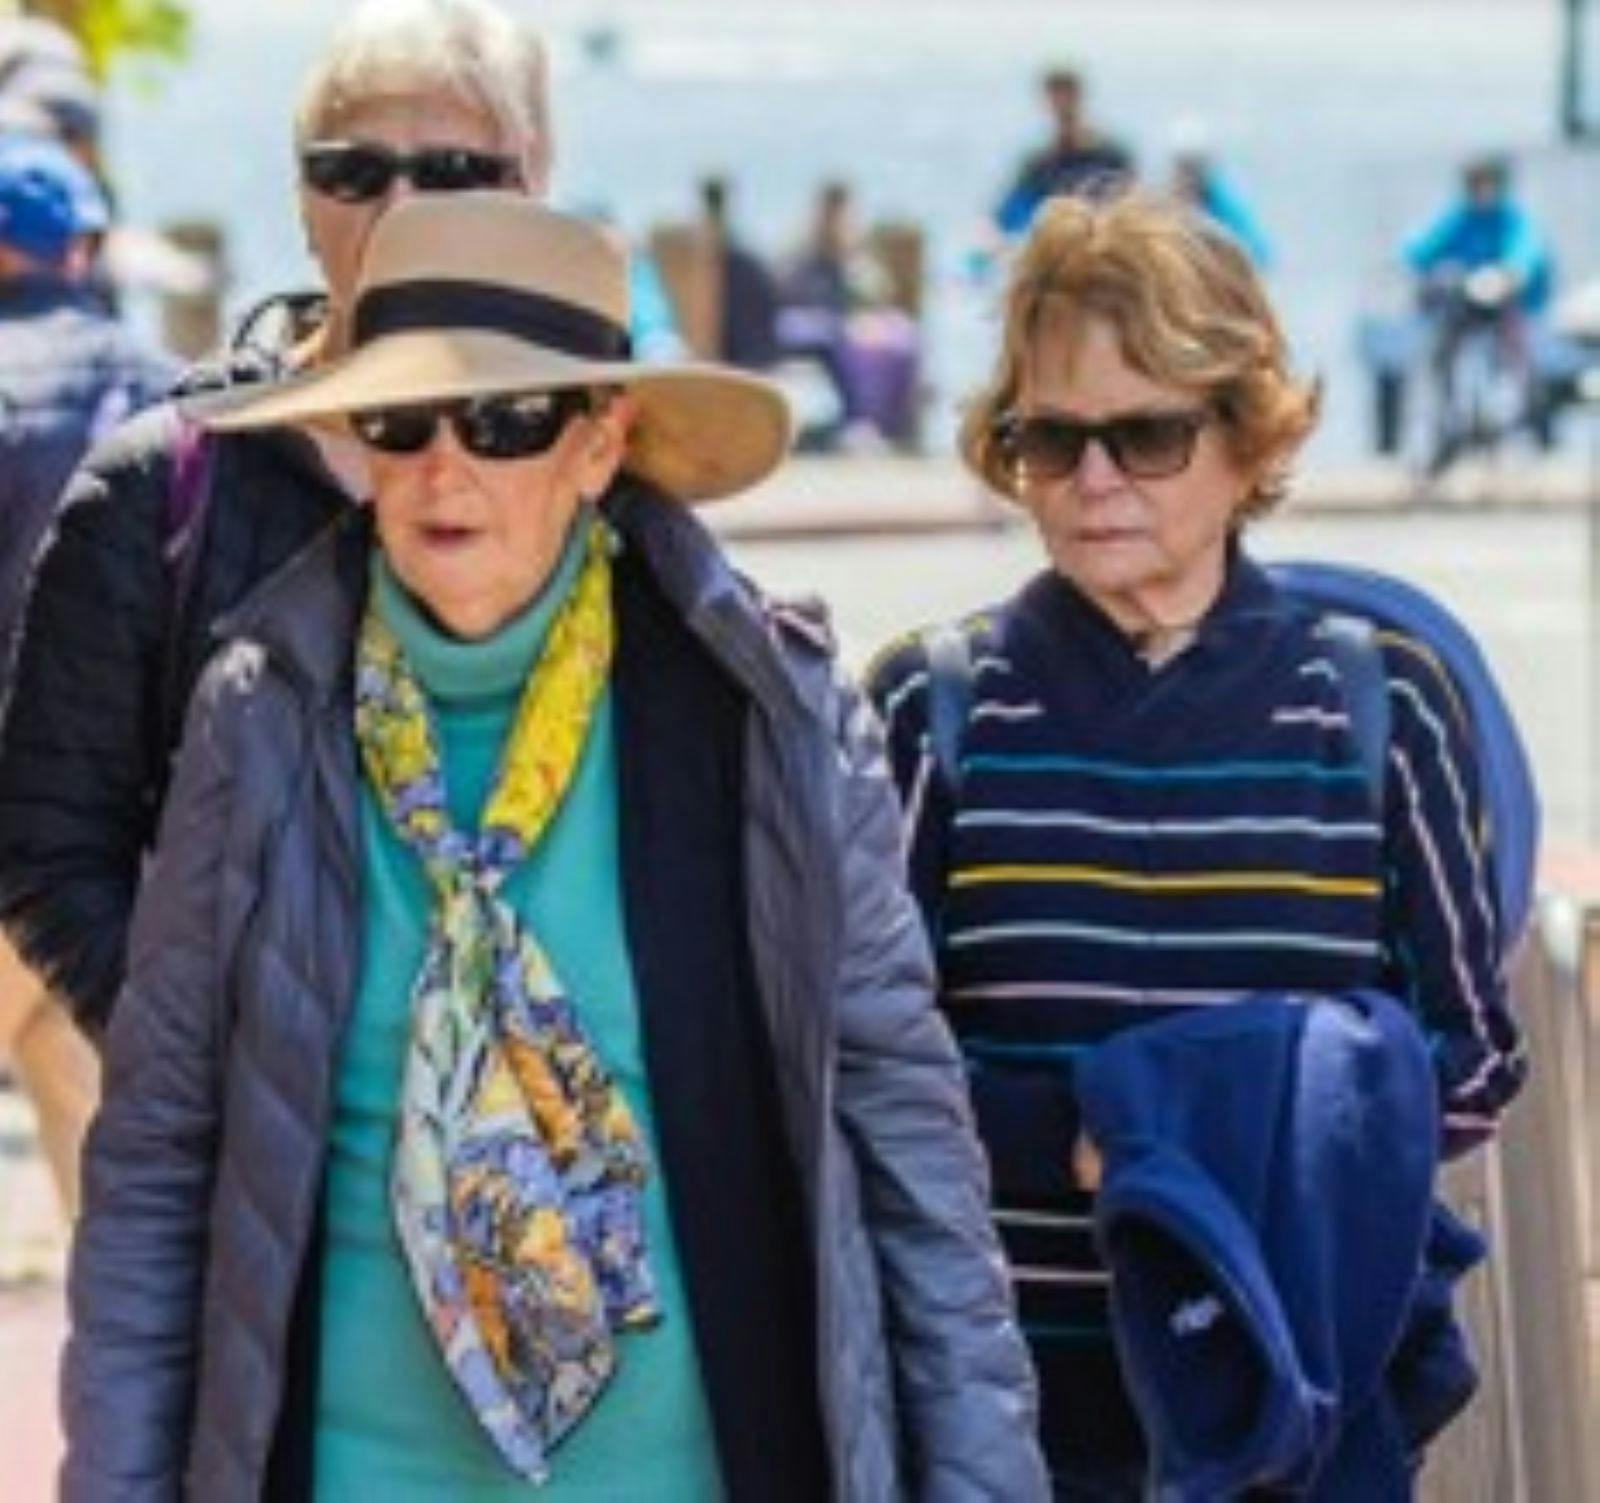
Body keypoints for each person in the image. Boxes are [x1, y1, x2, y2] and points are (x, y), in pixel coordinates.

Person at [62, 191, 1049, 1501]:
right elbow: (159, 1158)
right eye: (399, 419)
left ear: (601, 442)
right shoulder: (261, 714)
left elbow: (912, 1155)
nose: (442, 463)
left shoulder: (767, 712)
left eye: (508, 417)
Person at [865, 191, 1525, 1494]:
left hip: (1302, 1406)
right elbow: (859, 1065)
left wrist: (1221, 1135)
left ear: (1247, 436)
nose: (1095, 477)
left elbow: (1476, 1056)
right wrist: (1086, 1137)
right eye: (1053, 439)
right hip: (1006, 1423)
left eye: (1147, 433)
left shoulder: (1379, 703)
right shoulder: (927, 710)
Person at [0, 0, 553, 1040]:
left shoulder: (606, 469)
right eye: (353, 170)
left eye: (448, 173)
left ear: (533, 186)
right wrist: (209, 1067)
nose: (398, 206)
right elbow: (50, 841)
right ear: (305, 203)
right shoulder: (160, 487)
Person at [0, 130, 173, 1222]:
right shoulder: (164, 391)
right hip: (112, 824)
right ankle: (112, 1385)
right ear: (85, 247)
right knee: (84, 1108)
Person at [993, 67, 1135, 240]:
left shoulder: (1111, 157)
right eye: (1055, 98)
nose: (1061, 104)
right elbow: (1007, 218)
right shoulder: (1039, 164)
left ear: (1078, 97)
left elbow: (1133, 207)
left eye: (1066, 96)